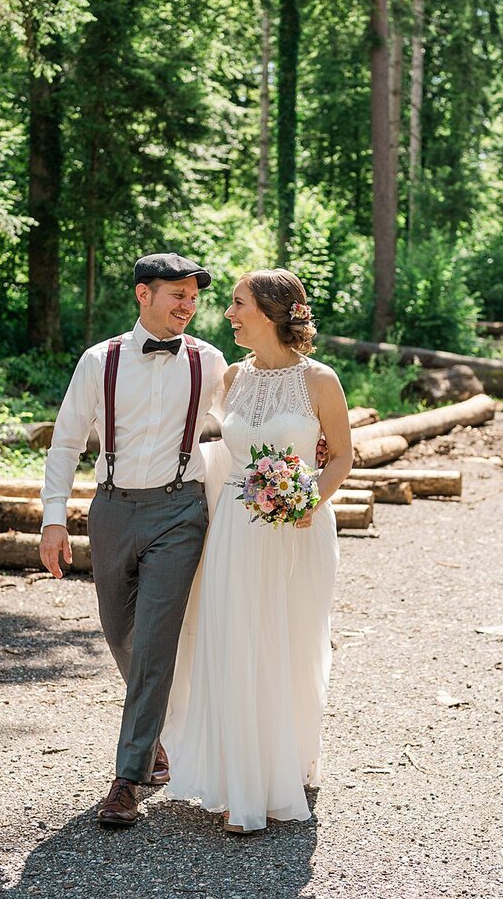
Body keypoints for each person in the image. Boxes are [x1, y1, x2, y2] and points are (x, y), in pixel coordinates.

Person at [39, 253, 228, 828]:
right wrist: (53, 518)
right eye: (177, 294)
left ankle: (127, 778)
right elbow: (67, 441)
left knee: (153, 639)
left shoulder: (211, 361)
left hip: (180, 510)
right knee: (121, 635)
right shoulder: (99, 361)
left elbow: (248, 421)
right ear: (143, 295)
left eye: (194, 297)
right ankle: (154, 741)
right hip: (112, 511)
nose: (188, 305)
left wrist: (308, 443)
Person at [161, 268, 351, 834]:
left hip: (299, 530)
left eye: (238, 304)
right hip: (236, 530)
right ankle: (236, 778)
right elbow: (203, 440)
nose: (229, 314)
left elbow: (340, 456)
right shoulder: (233, 377)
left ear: (270, 312)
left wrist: (304, 500)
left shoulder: (320, 381)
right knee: (235, 643)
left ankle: (280, 770)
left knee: (287, 644)